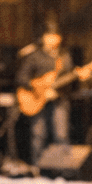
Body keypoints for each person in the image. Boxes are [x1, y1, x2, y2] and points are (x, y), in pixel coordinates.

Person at [15, 18, 68, 159]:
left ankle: (61, 168)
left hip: (58, 101)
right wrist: (38, 87)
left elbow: (70, 80)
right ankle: (38, 169)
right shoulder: (34, 57)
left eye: (55, 36)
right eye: (49, 36)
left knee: (61, 134)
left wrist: (81, 75)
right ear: (43, 38)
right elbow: (21, 78)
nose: (53, 39)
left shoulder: (65, 57)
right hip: (37, 100)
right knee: (38, 134)